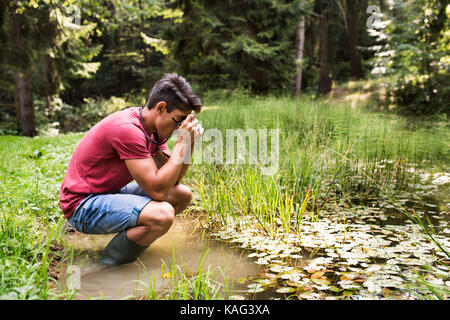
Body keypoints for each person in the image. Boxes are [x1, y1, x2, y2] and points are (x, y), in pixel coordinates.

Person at [59, 73, 203, 265]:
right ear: (161, 107)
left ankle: (129, 239)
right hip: (82, 204)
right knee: (162, 215)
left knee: (181, 194)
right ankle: (107, 266)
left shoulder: (153, 128)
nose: (179, 127)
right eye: (178, 120)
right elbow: (158, 191)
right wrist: (182, 145)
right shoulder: (128, 129)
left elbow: (173, 181)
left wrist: (188, 144)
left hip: (109, 193)